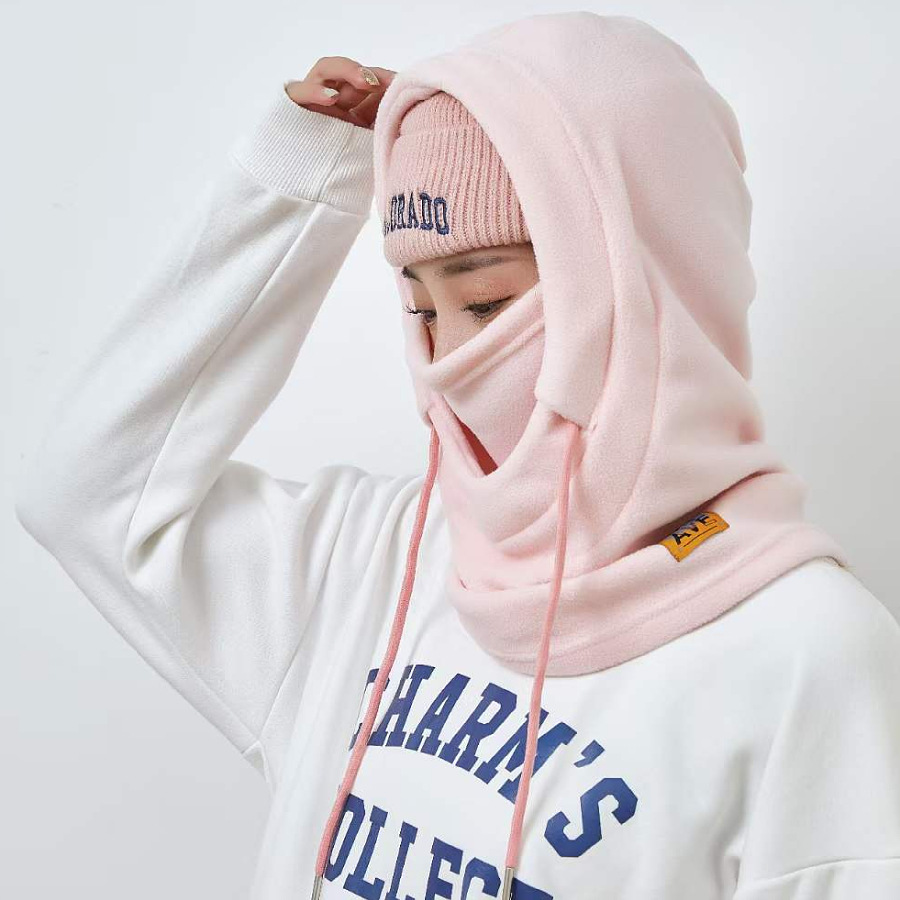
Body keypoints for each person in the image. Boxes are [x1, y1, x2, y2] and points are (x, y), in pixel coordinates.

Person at [14, 11, 900, 900]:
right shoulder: (371, 559)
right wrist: (306, 180)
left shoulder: (807, 658)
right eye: (420, 309)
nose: (448, 360)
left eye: (485, 302)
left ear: (652, 284)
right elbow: (88, 494)